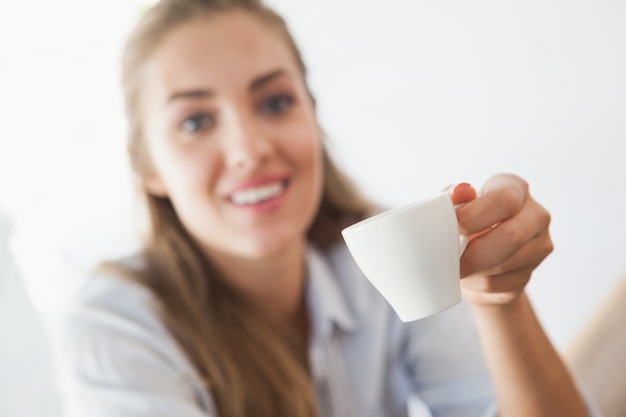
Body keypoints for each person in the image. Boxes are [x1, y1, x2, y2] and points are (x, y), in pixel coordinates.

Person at [50, 0, 601, 416]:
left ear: (311, 114)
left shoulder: (391, 261)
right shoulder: (116, 328)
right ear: (148, 168)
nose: (249, 150)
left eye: (274, 102)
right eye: (195, 121)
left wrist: (500, 301)